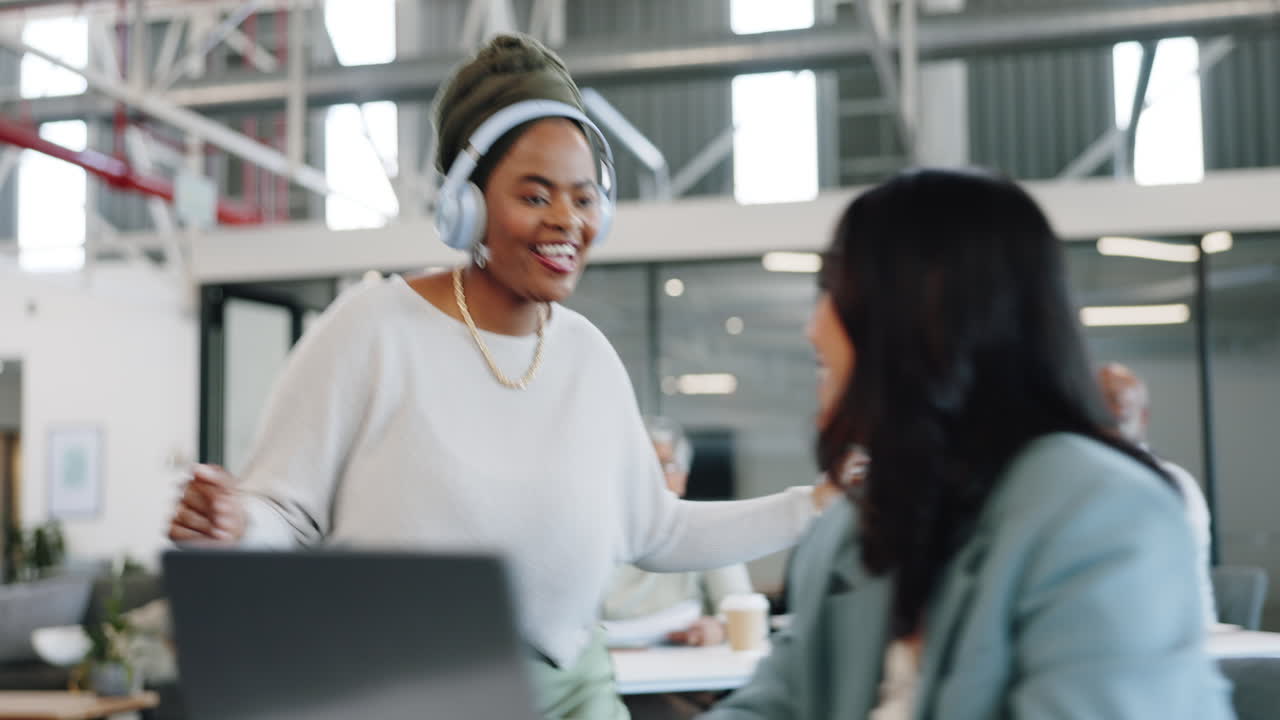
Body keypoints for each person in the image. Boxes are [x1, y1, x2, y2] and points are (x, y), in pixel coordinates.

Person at [166, 34, 835, 720]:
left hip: (574, 693)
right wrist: (237, 522)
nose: (566, 222)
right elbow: (283, 510)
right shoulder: (372, 330)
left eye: (583, 198)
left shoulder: (587, 357)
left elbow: (655, 532)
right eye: (535, 195)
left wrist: (812, 506)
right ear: (467, 203)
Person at [702, 168, 1233, 719]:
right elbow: (775, 706)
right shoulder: (856, 530)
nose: (814, 324)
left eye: (835, 285)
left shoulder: (1104, 513)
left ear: (917, 310)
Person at [602, 416, 754, 648]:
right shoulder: (594, 535)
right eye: (641, 465)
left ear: (682, 478)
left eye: (664, 466)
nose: (651, 478)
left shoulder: (707, 530)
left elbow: (742, 607)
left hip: (685, 673)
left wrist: (719, 628)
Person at [1098, 361, 1217, 627]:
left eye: (1118, 405)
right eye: (1099, 405)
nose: (1109, 415)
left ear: (1143, 417)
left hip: (1172, 635)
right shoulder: (1079, 482)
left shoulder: (1170, 484)